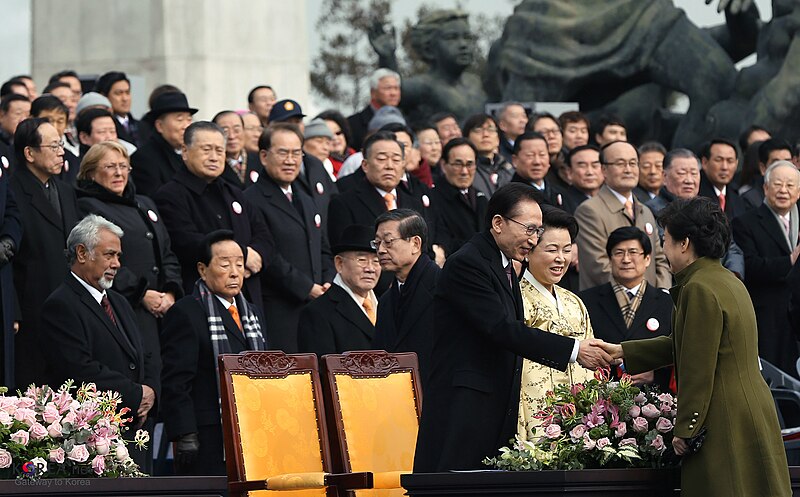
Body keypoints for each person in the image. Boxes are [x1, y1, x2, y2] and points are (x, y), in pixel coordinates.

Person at [413, 182, 613, 472]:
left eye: (537, 232)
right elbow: (501, 328)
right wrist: (573, 350)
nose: (533, 240)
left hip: (494, 402)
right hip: (465, 405)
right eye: (529, 229)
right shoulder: (468, 264)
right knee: (456, 483)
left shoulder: (504, 265)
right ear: (498, 223)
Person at [601, 197, 791, 497]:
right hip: (748, 408)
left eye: (665, 240)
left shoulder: (698, 287)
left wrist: (686, 429)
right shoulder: (725, 279)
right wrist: (624, 351)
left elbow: (697, 365)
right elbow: (689, 342)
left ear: (684, 243)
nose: (663, 249)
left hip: (723, 414)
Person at [40, 214, 160, 472]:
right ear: (82, 253)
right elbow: (79, 370)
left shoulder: (120, 302)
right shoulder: (61, 305)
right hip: (93, 442)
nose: (117, 264)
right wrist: (136, 394)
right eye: (109, 255)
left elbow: (144, 355)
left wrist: (150, 391)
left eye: (118, 256)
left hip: (133, 429)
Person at [76, 141, 182, 392]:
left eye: (124, 166)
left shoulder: (144, 203)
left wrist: (170, 292)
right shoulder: (86, 205)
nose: (118, 173)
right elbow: (101, 259)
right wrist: (142, 293)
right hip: (127, 307)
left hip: (162, 309)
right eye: (110, 166)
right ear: (91, 172)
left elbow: (166, 251)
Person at [160, 230, 267, 476]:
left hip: (251, 428)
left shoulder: (252, 313)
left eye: (239, 264)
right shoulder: (186, 311)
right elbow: (176, 379)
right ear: (202, 269)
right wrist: (185, 433)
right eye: (224, 263)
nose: (234, 272)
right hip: (208, 433)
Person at [153, 121, 274, 307]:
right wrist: (242, 256)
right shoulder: (170, 195)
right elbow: (186, 243)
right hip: (202, 299)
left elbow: (264, 236)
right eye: (206, 150)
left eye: (219, 150)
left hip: (248, 297)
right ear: (185, 151)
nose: (214, 157)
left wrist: (248, 263)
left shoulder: (234, 193)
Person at [244, 123, 335, 352]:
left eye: (297, 153)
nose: (290, 160)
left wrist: (327, 281)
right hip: (279, 310)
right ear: (264, 156)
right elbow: (268, 255)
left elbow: (322, 246)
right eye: (283, 152)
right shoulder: (251, 199)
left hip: (317, 306)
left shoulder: (305, 198)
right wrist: (307, 287)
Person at [11, 118, 80, 389]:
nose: (61, 151)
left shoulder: (65, 190)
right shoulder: (12, 192)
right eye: (53, 145)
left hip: (68, 307)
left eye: (61, 144)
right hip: (32, 308)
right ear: (29, 153)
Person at [517, 207, 595, 441]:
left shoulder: (575, 302)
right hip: (534, 417)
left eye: (567, 250)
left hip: (579, 420)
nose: (561, 258)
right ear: (528, 251)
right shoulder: (516, 298)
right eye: (552, 249)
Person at [580, 227, 673, 392]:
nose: (626, 259)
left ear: (647, 259)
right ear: (609, 259)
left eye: (633, 252)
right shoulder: (585, 301)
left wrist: (655, 375)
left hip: (655, 403)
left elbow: (678, 352)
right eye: (618, 253)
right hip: (600, 403)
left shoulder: (668, 302)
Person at [732, 160, 800, 377]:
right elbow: (751, 266)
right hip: (768, 317)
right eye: (778, 184)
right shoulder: (745, 223)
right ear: (765, 188)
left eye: (790, 185)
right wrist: (790, 260)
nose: (783, 190)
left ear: (798, 191)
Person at [574, 141, 671, 290]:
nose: (628, 169)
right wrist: (638, 295)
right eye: (620, 163)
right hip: (608, 305)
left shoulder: (645, 211)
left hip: (651, 305)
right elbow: (598, 266)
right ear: (604, 170)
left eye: (633, 163)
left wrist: (661, 294)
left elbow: (660, 260)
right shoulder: (589, 211)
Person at [373, 209, 439, 387]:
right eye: (377, 243)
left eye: (388, 242)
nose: (380, 250)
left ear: (415, 244)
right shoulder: (386, 301)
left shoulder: (444, 288)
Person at [297, 225, 380, 357]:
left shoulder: (387, 307)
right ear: (339, 264)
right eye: (362, 260)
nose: (370, 268)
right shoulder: (317, 313)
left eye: (376, 261)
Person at [130, 92, 197, 197]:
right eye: (179, 120)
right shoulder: (144, 159)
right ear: (160, 126)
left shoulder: (192, 153)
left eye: (189, 119)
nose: (186, 126)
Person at [431, 137, 487, 256]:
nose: (464, 171)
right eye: (458, 164)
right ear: (444, 165)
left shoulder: (481, 198)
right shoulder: (433, 198)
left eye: (470, 164)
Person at [347, 68, 401, 150]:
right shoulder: (352, 124)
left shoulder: (407, 121)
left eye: (396, 88)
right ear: (373, 92)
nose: (393, 93)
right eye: (388, 88)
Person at [463, 113, 514, 198]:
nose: (486, 135)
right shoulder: (465, 170)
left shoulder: (508, 168)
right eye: (478, 130)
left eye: (491, 129)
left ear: (498, 138)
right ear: (467, 137)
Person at [94, 71, 140, 146]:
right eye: (119, 93)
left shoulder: (143, 127)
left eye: (127, 93)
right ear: (104, 96)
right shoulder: (102, 127)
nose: (125, 98)